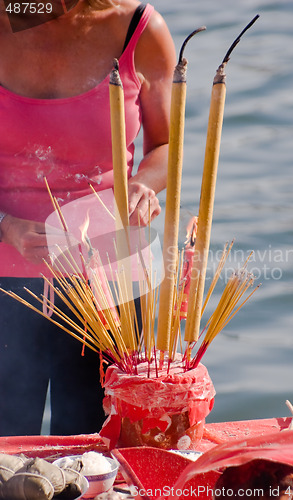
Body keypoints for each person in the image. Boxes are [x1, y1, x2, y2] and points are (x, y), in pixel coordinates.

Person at [0, 0, 176, 435]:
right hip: (5, 279)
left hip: (108, 281)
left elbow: (167, 149)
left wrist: (143, 187)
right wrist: (4, 224)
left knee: (95, 453)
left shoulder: (140, 29)